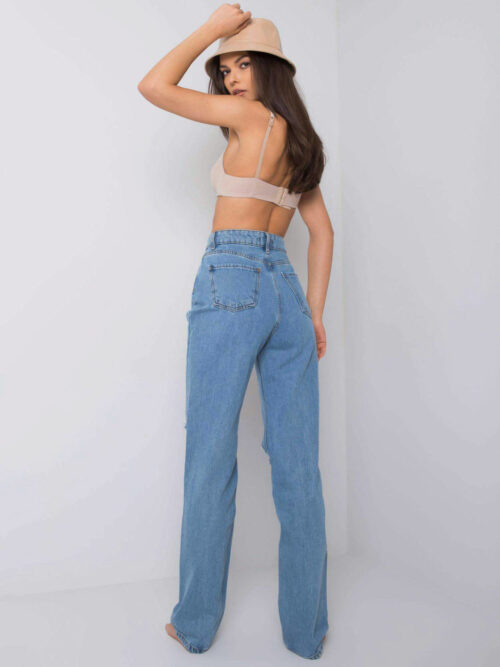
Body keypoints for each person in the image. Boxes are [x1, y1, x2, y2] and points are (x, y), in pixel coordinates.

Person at [138, 4, 334, 660]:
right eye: (224, 68)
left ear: (270, 68)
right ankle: (307, 633)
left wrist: (211, 28)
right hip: (284, 292)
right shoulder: (300, 142)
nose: (232, 76)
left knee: (210, 456)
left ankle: (195, 624)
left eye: (244, 63)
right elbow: (323, 232)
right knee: (298, 465)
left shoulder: (250, 119)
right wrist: (313, 311)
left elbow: (153, 86)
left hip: (232, 276)